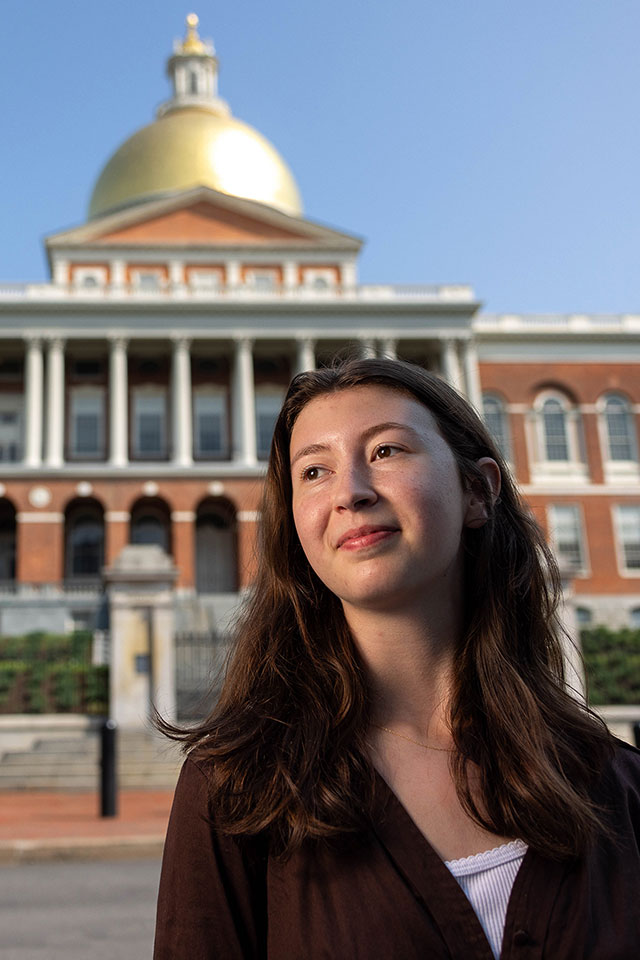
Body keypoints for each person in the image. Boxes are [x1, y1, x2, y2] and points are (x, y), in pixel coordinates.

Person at [154, 358, 640, 960]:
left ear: (477, 489)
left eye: (386, 451)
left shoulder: (613, 784)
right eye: (314, 470)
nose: (350, 493)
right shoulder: (237, 789)